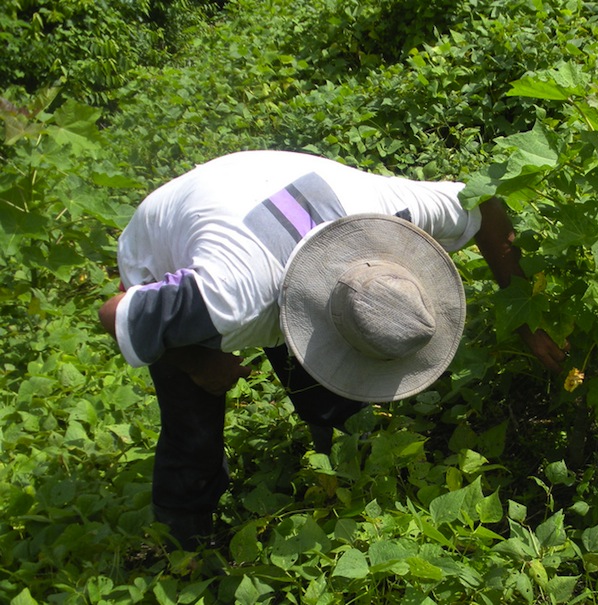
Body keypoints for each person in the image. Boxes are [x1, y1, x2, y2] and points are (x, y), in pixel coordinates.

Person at [97, 150, 565, 550]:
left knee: (334, 396)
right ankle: (185, 544)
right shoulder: (227, 300)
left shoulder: (395, 213)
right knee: (192, 426)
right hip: (174, 236)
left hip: (260, 187)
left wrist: (526, 318)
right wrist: (196, 360)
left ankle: (339, 456)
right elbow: (113, 312)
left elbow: (483, 203)